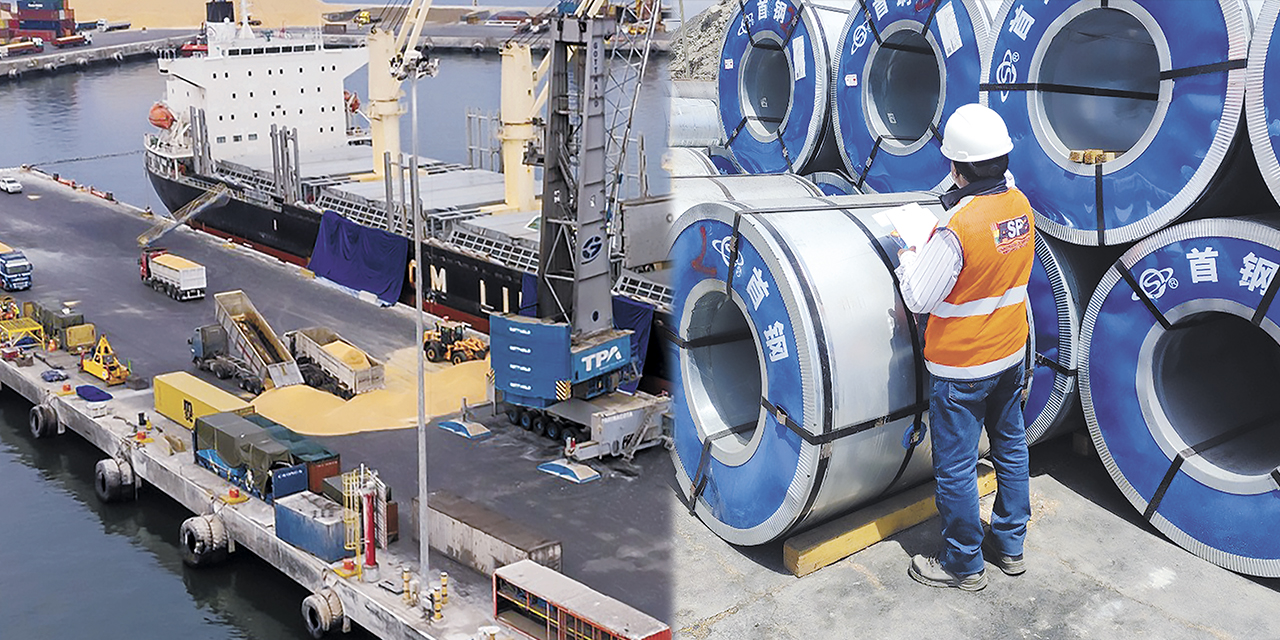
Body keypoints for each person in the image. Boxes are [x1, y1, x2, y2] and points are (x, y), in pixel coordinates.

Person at [894, 103, 1034, 592]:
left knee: (955, 467)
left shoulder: (960, 228)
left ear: (955, 166)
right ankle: (1010, 546)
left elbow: (918, 297)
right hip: (1010, 357)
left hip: (962, 369)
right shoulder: (1019, 205)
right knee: (1011, 449)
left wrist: (911, 250)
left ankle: (962, 563)